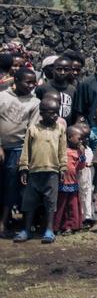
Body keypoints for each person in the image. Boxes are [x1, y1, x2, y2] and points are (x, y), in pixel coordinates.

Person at [15, 96, 66, 243]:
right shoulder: (33, 129)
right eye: (51, 112)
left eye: (57, 112)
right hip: (34, 172)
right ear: (42, 113)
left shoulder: (60, 129)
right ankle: (26, 230)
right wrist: (24, 168)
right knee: (29, 202)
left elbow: (62, 151)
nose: (55, 115)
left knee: (50, 203)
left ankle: (49, 230)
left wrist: (63, 168)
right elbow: (26, 150)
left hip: (52, 172)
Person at [1, 67, 39, 236]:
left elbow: (31, 129)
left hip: (18, 148)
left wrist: (25, 155)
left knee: (11, 184)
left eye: (34, 82)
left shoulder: (34, 102)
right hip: (2, 145)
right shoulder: (2, 97)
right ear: (16, 81)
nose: (31, 85)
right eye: (27, 82)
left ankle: (4, 221)